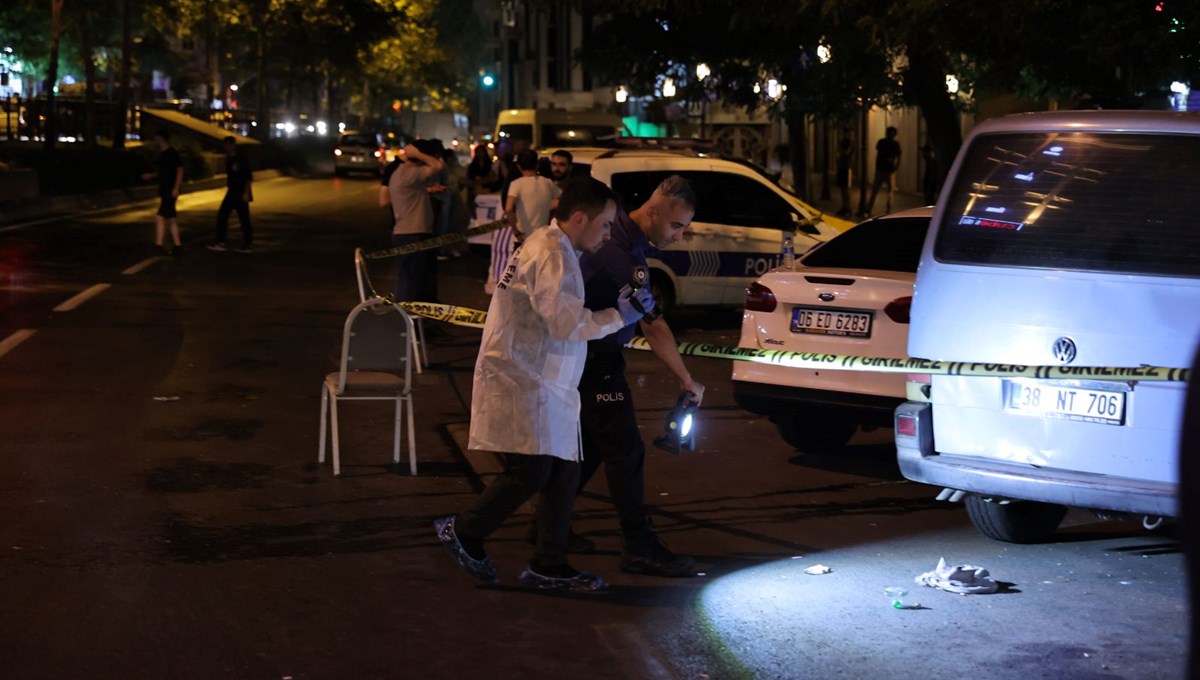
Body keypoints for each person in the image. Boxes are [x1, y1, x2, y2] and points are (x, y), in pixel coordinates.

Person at [434, 178, 656, 592]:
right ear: (579, 218)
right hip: (525, 379)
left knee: (563, 471)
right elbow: (565, 322)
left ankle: (548, 563)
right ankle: (464, 530)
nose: (609, 234)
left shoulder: (551, 245)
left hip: (541, 380)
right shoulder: (553, 252)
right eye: (605, 224)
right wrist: (620, 315)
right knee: (531, 472)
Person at [566, 174, 704, 577]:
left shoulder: (629, 243)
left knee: (591, 447)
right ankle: (638, 545)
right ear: (654, 210)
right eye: (676, 226)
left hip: (588, 354)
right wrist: (687, 380)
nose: (680, 236)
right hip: (596, 358)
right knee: (625, 451)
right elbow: (653, 325)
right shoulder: (622, 254)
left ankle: (549, 525)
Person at [387, 140, 445, 303]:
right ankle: (409, 324)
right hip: (412, 235)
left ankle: (420, 324)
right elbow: (438, 166)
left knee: (417, 282)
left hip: (410, 233)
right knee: (413, 285)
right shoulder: (410, 173)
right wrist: (417, 154)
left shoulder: (403, 174)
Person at [206, 136, 253, 253]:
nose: (226, 147)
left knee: (243, 218)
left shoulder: (241, 159)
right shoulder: (229, 160)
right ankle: (222, 242)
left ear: (233, 145)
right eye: (225, 145)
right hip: (232, 191)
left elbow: (248, 177)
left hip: (240, 192)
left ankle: (247, 244)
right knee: (223, 215)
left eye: (228, 145)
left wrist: (246, 192)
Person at [141, 128, 184, 255]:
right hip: (165, 189)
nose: (155, 141)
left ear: (161, 139)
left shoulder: (172, 153)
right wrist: (151, 176)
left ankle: (158, 245)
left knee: (160, 217)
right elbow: (162, 172)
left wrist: (176, 188)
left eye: (156, 138)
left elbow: (180, 170)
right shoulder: (162, 155)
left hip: (170, 191)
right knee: (170, 219)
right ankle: (177, 246)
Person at [504, 148, 562, 242]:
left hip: (523, 238)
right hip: (542, 237)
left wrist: (516, 231)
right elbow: (565, 198)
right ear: (537, 164)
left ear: (518, 166)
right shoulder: (547, 183)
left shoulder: (516, 184)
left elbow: (508, 209)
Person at [863, 126, 901, 217]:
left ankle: (883, 209)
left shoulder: (887, 143)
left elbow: (898, 157)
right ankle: (872, 209)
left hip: (887, 171)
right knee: (882, 191)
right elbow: (898, 157)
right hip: (883, 170)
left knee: (885, 192)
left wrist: (895, 167)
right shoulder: (887, 143)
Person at [835, 136, 854, 217]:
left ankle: (847, 208)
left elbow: (839, 162)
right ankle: (845, 207)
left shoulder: (845, 153)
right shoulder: (843, 153)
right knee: (843, 190)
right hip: (843, 171)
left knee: (845, 190)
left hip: (845, 171)